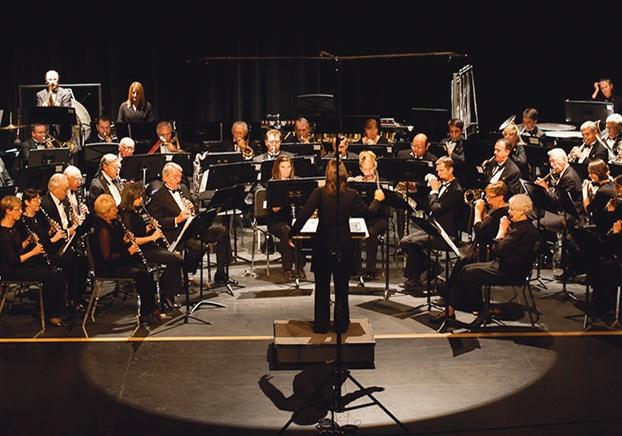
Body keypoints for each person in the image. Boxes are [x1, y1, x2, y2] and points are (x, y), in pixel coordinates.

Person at [289, 160, 385, 333]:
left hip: (323, 245)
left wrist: (292, 234)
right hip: (344, 245)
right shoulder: (352, 195)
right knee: (342, 288)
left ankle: (321, 325)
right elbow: (369, 213)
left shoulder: (319, 193)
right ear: (344, 175)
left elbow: (303, 215)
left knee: (322, 289)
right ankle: (341, 325)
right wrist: (377, 200)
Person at [438, 194, 539, 331]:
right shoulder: (523, 226)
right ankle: (464, 309)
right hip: (507, 266)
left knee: (467, 272)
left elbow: (498, 250)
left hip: (509, 271)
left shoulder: (521, 230)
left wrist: (502, 231)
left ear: (522, 211)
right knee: (466, 269)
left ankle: (475, 309)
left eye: (512, 209)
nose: (509, 212)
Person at [431, 182, 509, 329]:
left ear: (501, 197)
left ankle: (454, 307)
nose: (487, 199)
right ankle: (455, 305)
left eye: (490, 197)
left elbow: (480, 230)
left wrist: (478, 213)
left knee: (462, 267)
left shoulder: (501, 212)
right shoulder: (496, 209)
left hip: (487, 253)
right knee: (460, 265)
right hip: (480, 249)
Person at [148, 162, 230, 284]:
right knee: (199, 247)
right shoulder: (158, 196)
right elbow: (156, 221)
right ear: (165, 178)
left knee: (222, 231)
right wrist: (177, 219)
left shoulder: (184, 189)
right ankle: (186, 271)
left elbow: (195, 211)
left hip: (193, 228)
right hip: (177, 233)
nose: (179, 180)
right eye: (175, 177)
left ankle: (220, 274)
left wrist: (192, 208)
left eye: (180, 177)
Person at [91, 194, 163, 323]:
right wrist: (129, 251)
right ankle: (147, 313)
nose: (117, 210)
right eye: (113, 209)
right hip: (107, 267)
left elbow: (115, 245)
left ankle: (151, 309)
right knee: (141, 274)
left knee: (144, 270)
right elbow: (107, 257)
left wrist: (124, 240)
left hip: (117, 262)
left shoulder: (112, 222)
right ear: (106, 213)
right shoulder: (102, 229)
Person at [0, 195, 66, 326]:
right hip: (11, 271)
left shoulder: (13, 228)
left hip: (19, 265)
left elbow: (17, 249)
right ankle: (50, 314)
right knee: (50, 275)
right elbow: (13, 261)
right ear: (8, 211)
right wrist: (33, 252)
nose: (20, 212)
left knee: (56, 271)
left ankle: (58, 309)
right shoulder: (3, 234)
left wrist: (27, 241)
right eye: (18, 210)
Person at [399, 157, 463, 290]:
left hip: (446, 235)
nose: (438, 174)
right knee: (405, 241)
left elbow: (436, 208)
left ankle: (414, 279)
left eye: (441, 170)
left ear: (450, 170)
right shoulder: (442, 185)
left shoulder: (456, 191)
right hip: (434, 229)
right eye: (437, 170)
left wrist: (434, 191)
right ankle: (433, 267)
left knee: (413, 243)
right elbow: (428, 204)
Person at [118, 182, 183, 311]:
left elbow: (139, 230)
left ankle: (168, 294)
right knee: (175, 259)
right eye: (138, 197)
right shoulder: (125, 214)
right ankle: (165, 294)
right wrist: (152, 237)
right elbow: (132, 239)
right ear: (131, 197)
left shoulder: (136, 211)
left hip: (148, 246)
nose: (141, 200)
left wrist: (149, 227)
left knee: (176, 257)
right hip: (139, 250)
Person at [266, 155, 306, 281]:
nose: (286, 170)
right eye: (283, 167)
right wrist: (289, 198)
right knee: (286, 231)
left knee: (300, 229)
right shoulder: (272, 184)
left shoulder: (296, 182)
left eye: (288, 167)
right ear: (277, 168)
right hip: (276, 222)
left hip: (293, 220)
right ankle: (287, 268)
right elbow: (274, 208)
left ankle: (300, 267)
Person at [351, 151, 388, 281]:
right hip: (363, 218)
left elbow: (382, 208)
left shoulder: (382, 183)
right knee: (353, 231)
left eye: (370, 168)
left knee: (371, 233)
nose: (368, 172)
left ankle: (370, 269)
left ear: (375, 166)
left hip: (379, 219)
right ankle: (355, 268)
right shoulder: (357, 182)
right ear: (361, 169)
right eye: (365, 169)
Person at [581, 159, 616, 238]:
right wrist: (593, 193)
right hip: (609, 223)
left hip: (602, 228)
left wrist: (584, 192)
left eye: (591, 173)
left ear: (598, 174)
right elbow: (601, 202)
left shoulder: (602, 191)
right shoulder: (612, 184)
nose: (589, 176)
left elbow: (588, 209)